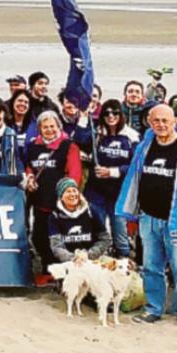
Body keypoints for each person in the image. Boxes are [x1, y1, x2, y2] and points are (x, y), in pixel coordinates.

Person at [112, 104, 177, 331]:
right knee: (150, 267)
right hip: (148, 218)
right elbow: (134, 180)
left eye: (165, 121)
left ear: (175, 121)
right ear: (149, 122)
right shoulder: (144, 146)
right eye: (156, 120)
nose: (160, 125)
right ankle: (153, 308)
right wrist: (130, 214)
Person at [22, 111, 83, 281]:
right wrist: (30, 178)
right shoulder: (34, 145)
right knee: (38, 237)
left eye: (52, 126)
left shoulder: (68, 146)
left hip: (59, 203)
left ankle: (61, 273)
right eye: (45, 127)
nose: (49, 130)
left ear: (58, 127)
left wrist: (69, 196)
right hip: (40, 200)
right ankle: (48, 269)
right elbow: (29, 166)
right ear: (39, 128)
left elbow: (75, 174)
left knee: (58, 239)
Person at [86, 100, 139, 257]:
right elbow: (80, 139)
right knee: (98, 229)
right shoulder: (96, 133)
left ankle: (125, 261)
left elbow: (136, 165)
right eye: (107, 113)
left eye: (115, 113)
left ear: (121, 114)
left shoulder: (132, 136)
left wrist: (113, 171)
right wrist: (84, 115)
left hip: (119, 192)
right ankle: (97, 261)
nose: (111, 116)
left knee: (120, 231)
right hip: (96, 191)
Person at [49, 179, 110, 261]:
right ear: (61, 197)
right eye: (68, 191)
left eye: (74, 190)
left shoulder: (91, 210)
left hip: (93, 259)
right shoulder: (55, 216)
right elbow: (56, 246)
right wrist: (73, 258)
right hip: (69, 261)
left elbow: (105, 239)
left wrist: (89, 255)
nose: (72, 194)